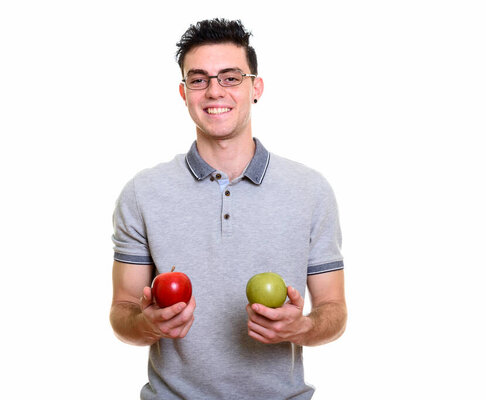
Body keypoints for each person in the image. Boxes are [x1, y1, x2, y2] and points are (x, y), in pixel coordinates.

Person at [109, 18, 346, 400]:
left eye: (231, 78)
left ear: (257, 87)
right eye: (199, 79)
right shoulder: (143, 193)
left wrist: (301, 328)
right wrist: (147, 323)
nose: (214, 91)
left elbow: (334, 310)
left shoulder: (310, 190)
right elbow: (122, 312)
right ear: (184, 93)